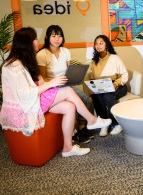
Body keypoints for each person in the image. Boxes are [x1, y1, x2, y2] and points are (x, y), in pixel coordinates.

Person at [0, 27, 112, 157]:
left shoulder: (26, 61)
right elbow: (24, 94)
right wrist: (52, 83)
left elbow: (39, 82)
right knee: (68, 91)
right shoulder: (14, 66)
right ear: (27, 43)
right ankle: (91, 120)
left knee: (70, 106)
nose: (38, 41)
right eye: (35, 38)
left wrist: (53, 84)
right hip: (24, 106)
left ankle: (68, 148)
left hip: (34, 99)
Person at [36, 25, 94, 144]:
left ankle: (82, 130)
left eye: (59, 36)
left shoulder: (66, 51)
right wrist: (57, 82)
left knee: (84, 98)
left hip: (66, 85)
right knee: (78, 98)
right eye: (53, 36)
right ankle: (76, 131)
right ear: (47, 37)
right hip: (51, 87)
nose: (57, 39)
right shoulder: (42, 54)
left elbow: (69, 71)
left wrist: (74, 77)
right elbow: (43, 78)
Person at [85, 35, 128, 136]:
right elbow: (92, 78)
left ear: (106, 45)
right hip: (102, 87)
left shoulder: (114, 58)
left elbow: (125, 74)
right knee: (95, 96)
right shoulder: (94, 61)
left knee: (108, 96)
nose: (98, 45)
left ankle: (117, 123)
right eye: (96, 43)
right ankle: (105, 123)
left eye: (101, 43)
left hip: (118, 85)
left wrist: (116, 83)